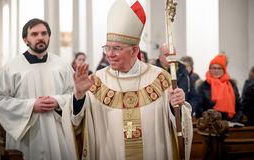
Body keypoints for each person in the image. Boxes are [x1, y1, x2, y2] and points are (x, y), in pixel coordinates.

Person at [62, 0, 193, 159]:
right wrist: (79, 96)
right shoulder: (95, 81)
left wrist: (175, 106)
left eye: (117, 48)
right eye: (107, 47)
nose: (109, 54)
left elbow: (180, 125)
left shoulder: (160, 79)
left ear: (134, 50)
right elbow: (75, 125)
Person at [0, 18, 77, 160]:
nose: (40, 37)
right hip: (26, 134)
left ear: (49, 37)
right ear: (25, 40)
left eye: (44, 33)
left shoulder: (61, 65)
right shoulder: (11, 67)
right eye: (34, 34)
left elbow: (74, 94)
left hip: (56, 133)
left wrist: (58, 101)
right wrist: (31, 106)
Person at [154, 44, 199, 115]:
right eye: (166, 55)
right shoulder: (153, 72)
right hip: (162, 116)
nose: (170, 57)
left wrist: (188, 111)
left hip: (182, 115)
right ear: (160, 57)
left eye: (172, 55)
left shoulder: (183, 71)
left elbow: (193, 96)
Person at [196, 54, 243, 123]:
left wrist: (233, 122)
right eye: (214, 68)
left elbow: (239, 107)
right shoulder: (203, 86)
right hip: (210, 126)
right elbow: (199, 109)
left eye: (219, 68)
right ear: (210, 69)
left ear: (224, 70)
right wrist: (210, 122)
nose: (216, 71)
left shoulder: (231, 84)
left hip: (230, 125)